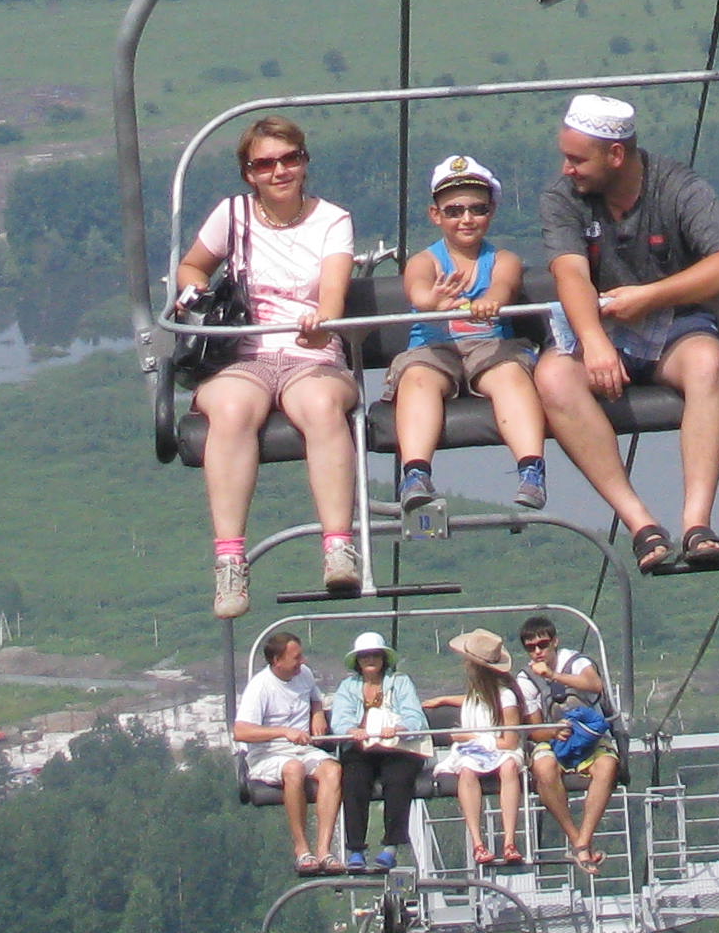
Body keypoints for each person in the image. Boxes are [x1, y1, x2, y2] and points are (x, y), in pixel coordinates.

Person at [534, 94, 719, 575]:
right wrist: (593, 340)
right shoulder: (562, 197)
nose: (567, 169)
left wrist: (651, 296)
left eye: (577, 159)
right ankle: (640, 523)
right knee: (553, 379)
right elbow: (570, 273)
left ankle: (698, 524)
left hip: (673, 323)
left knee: (708, 363)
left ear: (615, 154)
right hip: (601, 324)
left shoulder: (677, 187)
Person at [175, 114, 361, 618]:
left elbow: (334, 294)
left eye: (290, 159)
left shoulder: (332, 220)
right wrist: (193, 292)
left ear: (304, 162)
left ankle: (338, 545)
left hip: (310, 353)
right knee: (232, 410)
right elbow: (192, 265)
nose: (279, 171)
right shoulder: (232, 215)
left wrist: (322, 323)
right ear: (249, 173)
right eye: (266, 164)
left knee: (323, 405)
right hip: (244, 352)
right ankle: (231, 561)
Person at [389, 155, 549, 514]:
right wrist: (433, 301)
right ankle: (415, 472)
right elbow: (417, 291)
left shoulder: (502, 259)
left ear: (490, 212)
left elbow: (503, 286)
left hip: (488, 344)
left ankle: (531, 468)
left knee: (509, 374)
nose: (466, 219)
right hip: (434, 346)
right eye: (454, 210)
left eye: (476, 209)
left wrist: (490, 301)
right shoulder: (425, 261)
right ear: (436, 215)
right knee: (417, 379)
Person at [516, 611, 620, 872]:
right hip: (555, 741)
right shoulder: (526, 679)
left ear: (555, 642)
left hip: (589, 736)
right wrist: (552, 732)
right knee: (543, 768)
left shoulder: (575, 661)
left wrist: (553, 676)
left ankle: (584, 839)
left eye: (542, 645)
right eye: (531, 648)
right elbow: (533, 728)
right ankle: (577, 840)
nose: (538, 652)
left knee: (607, 766)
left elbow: (594, 685)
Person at [234, 627, 345, 873]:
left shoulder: (303, 674)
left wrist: (317, 714)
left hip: (303, 748)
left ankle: (324, 849)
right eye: (296, 658)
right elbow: (241, 731)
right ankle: (301, 848)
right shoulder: (261, 687)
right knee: (293, 769)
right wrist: (284, 732)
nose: (301, 662)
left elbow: (315, 698)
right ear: (277, 661)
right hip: (270, 753)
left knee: (333, 770)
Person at [431, 627, 538, 872]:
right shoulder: (479, 693)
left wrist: (473, 736)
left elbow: (509, 741)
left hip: (498, 748)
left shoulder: (506, 698)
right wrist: (445, 700)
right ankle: (478, 843)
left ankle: (509, 840)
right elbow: (475, 700)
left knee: (509, 767)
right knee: (467, 770)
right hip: (475, 751)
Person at [336, 630, 431, 872]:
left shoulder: (400, 682)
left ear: (383, 658)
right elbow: (339, 720)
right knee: (354, 778)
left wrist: (400, 727)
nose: (370, 660)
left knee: (398, 778)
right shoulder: (348, 687)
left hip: (397, 747)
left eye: (374, 655)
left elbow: (414, 716)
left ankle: (392, 846)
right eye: (364, 656)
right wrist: (352, 730)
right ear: (357, 661)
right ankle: (356, 848)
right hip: (363, 748)